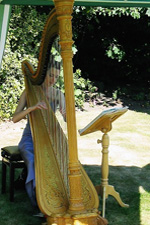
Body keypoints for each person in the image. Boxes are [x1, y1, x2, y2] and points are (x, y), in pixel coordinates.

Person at [13, 58, 66, 208]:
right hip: (30, 136)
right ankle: (39, 201)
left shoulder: (57, 95)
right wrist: (32, 108)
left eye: (56, 77)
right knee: (33, 159)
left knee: (60, 158)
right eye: (51, 75)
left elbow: (67, 117)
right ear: (43, 75)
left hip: (50, 137)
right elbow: (15, 118)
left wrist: (66, 114)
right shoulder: (29, 93)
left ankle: (57, 194)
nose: (53, 80)